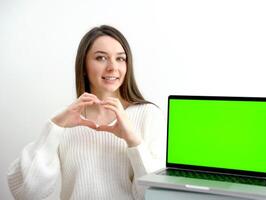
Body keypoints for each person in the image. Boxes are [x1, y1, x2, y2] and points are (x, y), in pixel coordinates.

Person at [7, 25, 166, 200]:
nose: (113, 67)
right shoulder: (66, 119)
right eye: (101, 58)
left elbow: (155, 194)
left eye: (120, 59)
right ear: (83, 65)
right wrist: (54, 127)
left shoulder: (148, 115)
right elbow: (27, 193)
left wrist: (133, 141)